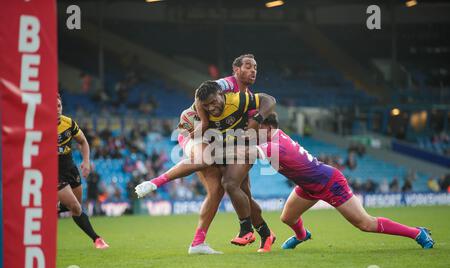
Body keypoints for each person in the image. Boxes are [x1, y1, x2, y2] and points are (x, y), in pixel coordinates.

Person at [255, 113, 434, 250]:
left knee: (365, 224)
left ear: (268, 128)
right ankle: (302, 236)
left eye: (257, 128)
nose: (253, 131)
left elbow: (244, 152)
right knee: (288, 217)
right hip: (310, 185)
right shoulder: (276, 134)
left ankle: (417, 233)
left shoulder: (274, 146)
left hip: (330, 183)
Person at [136, 80, 277, 252]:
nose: (211, 107)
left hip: (226, 145)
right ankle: (156, 183)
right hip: (198, 138)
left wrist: (256, 119)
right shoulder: (194, 112)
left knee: (241, 193)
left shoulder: (237, 100)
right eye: (206, 105)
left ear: (221, 94)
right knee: (217, 181)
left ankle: (264, 233)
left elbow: (268, 100)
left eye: (213, 102)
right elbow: (194, 128)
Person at [176, 54, 274, 254]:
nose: (253, 70)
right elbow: (199, 92)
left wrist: (255, 120)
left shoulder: (246, 95)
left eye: (255, 67)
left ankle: (255, 231)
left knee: (235, 189)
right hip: (214, 141)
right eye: (248, 66)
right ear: (236, 70)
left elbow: (269, 102)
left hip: (234, 145)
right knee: (236, 190)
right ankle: (262, 233)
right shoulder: (226, 85)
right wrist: (204, 123)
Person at [57, 94, 109, 249]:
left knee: (75, 207)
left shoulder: (68, 123)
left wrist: (86, 161)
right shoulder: (39, 126)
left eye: (59, 105)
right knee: (76, 207)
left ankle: (49, 208)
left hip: (70, 168)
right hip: (52, 171)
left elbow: (83, 142)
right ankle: (97, 239)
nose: (57, 109)